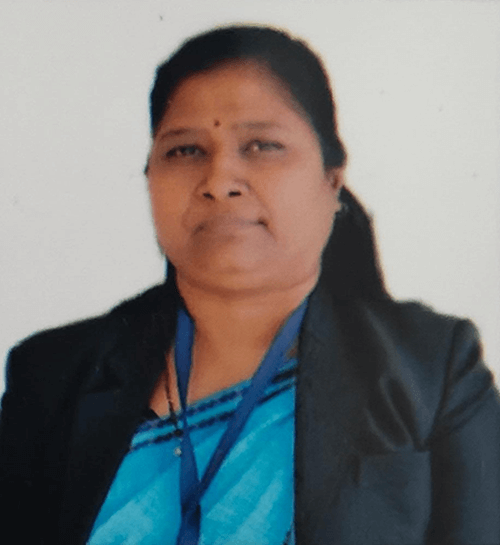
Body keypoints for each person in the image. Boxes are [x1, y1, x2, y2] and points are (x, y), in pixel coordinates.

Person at [1, 25, 499, 545]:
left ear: (332, 181)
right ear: (148, 176)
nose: (219, 181)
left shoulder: (431, 373)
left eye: (262, 145)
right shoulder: (53, 376)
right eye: (185, 150)